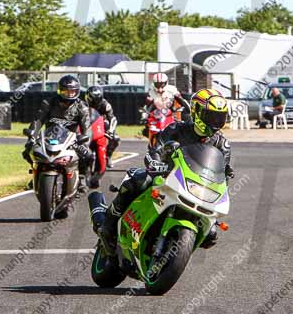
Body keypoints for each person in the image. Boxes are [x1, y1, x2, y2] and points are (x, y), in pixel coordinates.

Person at [99, 89, 234, 255]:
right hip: (165, 176)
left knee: (210, 235)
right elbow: (157, 149)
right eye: (211, 116)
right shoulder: (176, 128)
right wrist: (155, 163)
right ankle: (108, 226)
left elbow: (223, 174)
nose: (216, 122)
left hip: (196, 187)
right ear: (196, 111)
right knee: (137, 181)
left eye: (219, 117)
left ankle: (175, 249)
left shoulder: (222, 144)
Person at [22, 75, 93, 190]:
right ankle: (37, 174)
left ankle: (81, 177)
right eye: (66, 91)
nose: (69, 94)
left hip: (71, 140)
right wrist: (32, 136)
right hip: (49, 137)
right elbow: (38, 120)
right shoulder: (48, 102)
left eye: (72, 91)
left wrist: (84, 144)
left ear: (77, 92)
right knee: (27, 151)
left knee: (88, 155)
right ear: (60, 91)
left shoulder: (82, 107)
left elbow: (87, 128)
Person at [86, 85, 120, 163]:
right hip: (86, 125)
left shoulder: (105, 105)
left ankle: (108, 155)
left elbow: (112, 118)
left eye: (95, 99)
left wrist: (111, 131)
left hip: (101, 125)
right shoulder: (83, 104)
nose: (93, 101)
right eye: (91, 98)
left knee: (115, 138)